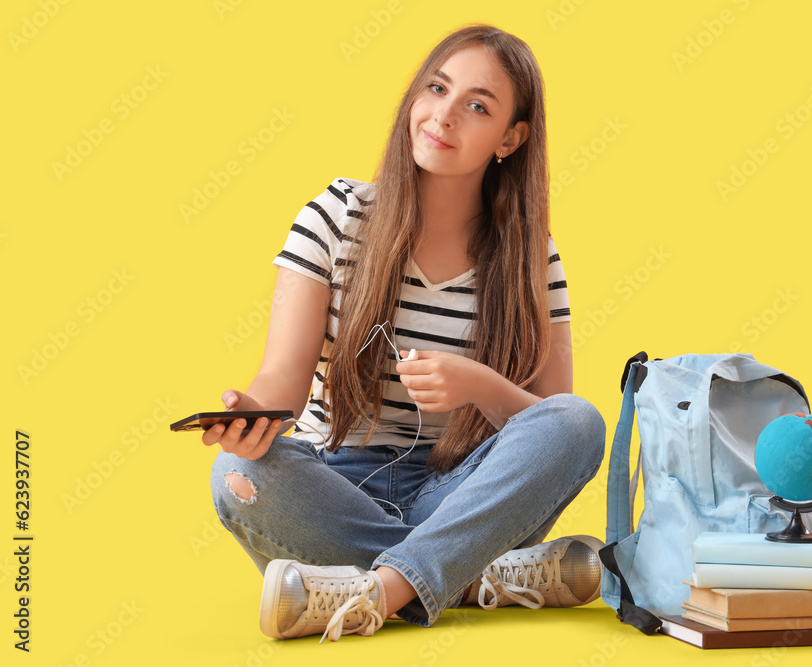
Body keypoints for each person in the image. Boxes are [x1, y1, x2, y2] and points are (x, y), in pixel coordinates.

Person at [206, 24, 606, 643]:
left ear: (510, 138)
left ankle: (376, 592)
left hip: (460, 491)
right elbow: (280, 380)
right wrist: (249, 417)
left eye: (477, 106)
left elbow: (550, 419)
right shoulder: (334, 217)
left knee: (579, 422)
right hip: (336, 484)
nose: (444, 116)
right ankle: (473, 576)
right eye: (437, 89)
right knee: (239, 473)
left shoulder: (532, 256)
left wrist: (478, 384)